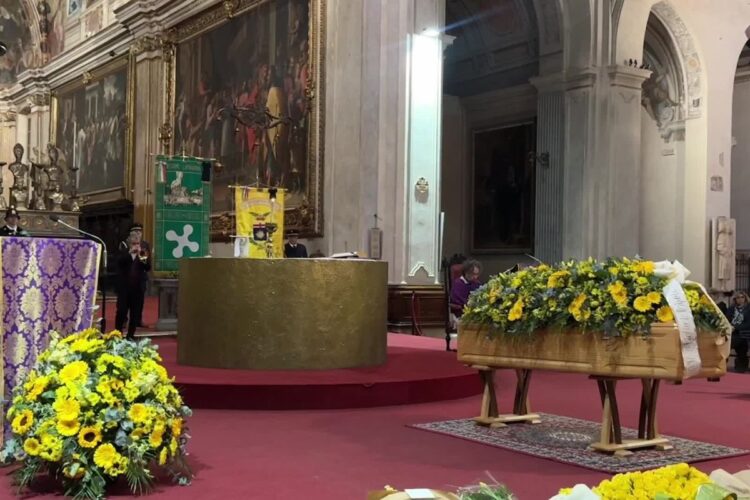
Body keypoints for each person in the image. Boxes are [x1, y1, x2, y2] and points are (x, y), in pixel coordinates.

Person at [115, 231, 150, 340]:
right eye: (134, 244)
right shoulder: (124, 252)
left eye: (137, 243)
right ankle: (117, 334)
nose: (136, 246)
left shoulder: (143, 253)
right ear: (129, 244)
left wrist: (142, 258)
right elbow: (119, 263)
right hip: (124, 288)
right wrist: (130, 254)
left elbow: (148, 267)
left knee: (135, 313)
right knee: (121, 311)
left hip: (138, 288)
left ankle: (130, 335)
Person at [726, 291, 750, 373]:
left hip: (743, 333)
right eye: (738, 297)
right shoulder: (731, 308)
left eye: (742, 297)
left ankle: (741, 366)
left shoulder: (748, 309)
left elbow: (748, 324)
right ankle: (723, 363)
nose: (740, 299)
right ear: (735, 299)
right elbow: (726, 320)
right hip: (731, 332)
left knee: (734, 342)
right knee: (726, 341)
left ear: (745, 298)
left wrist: (735, 327)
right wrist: (730, 327)